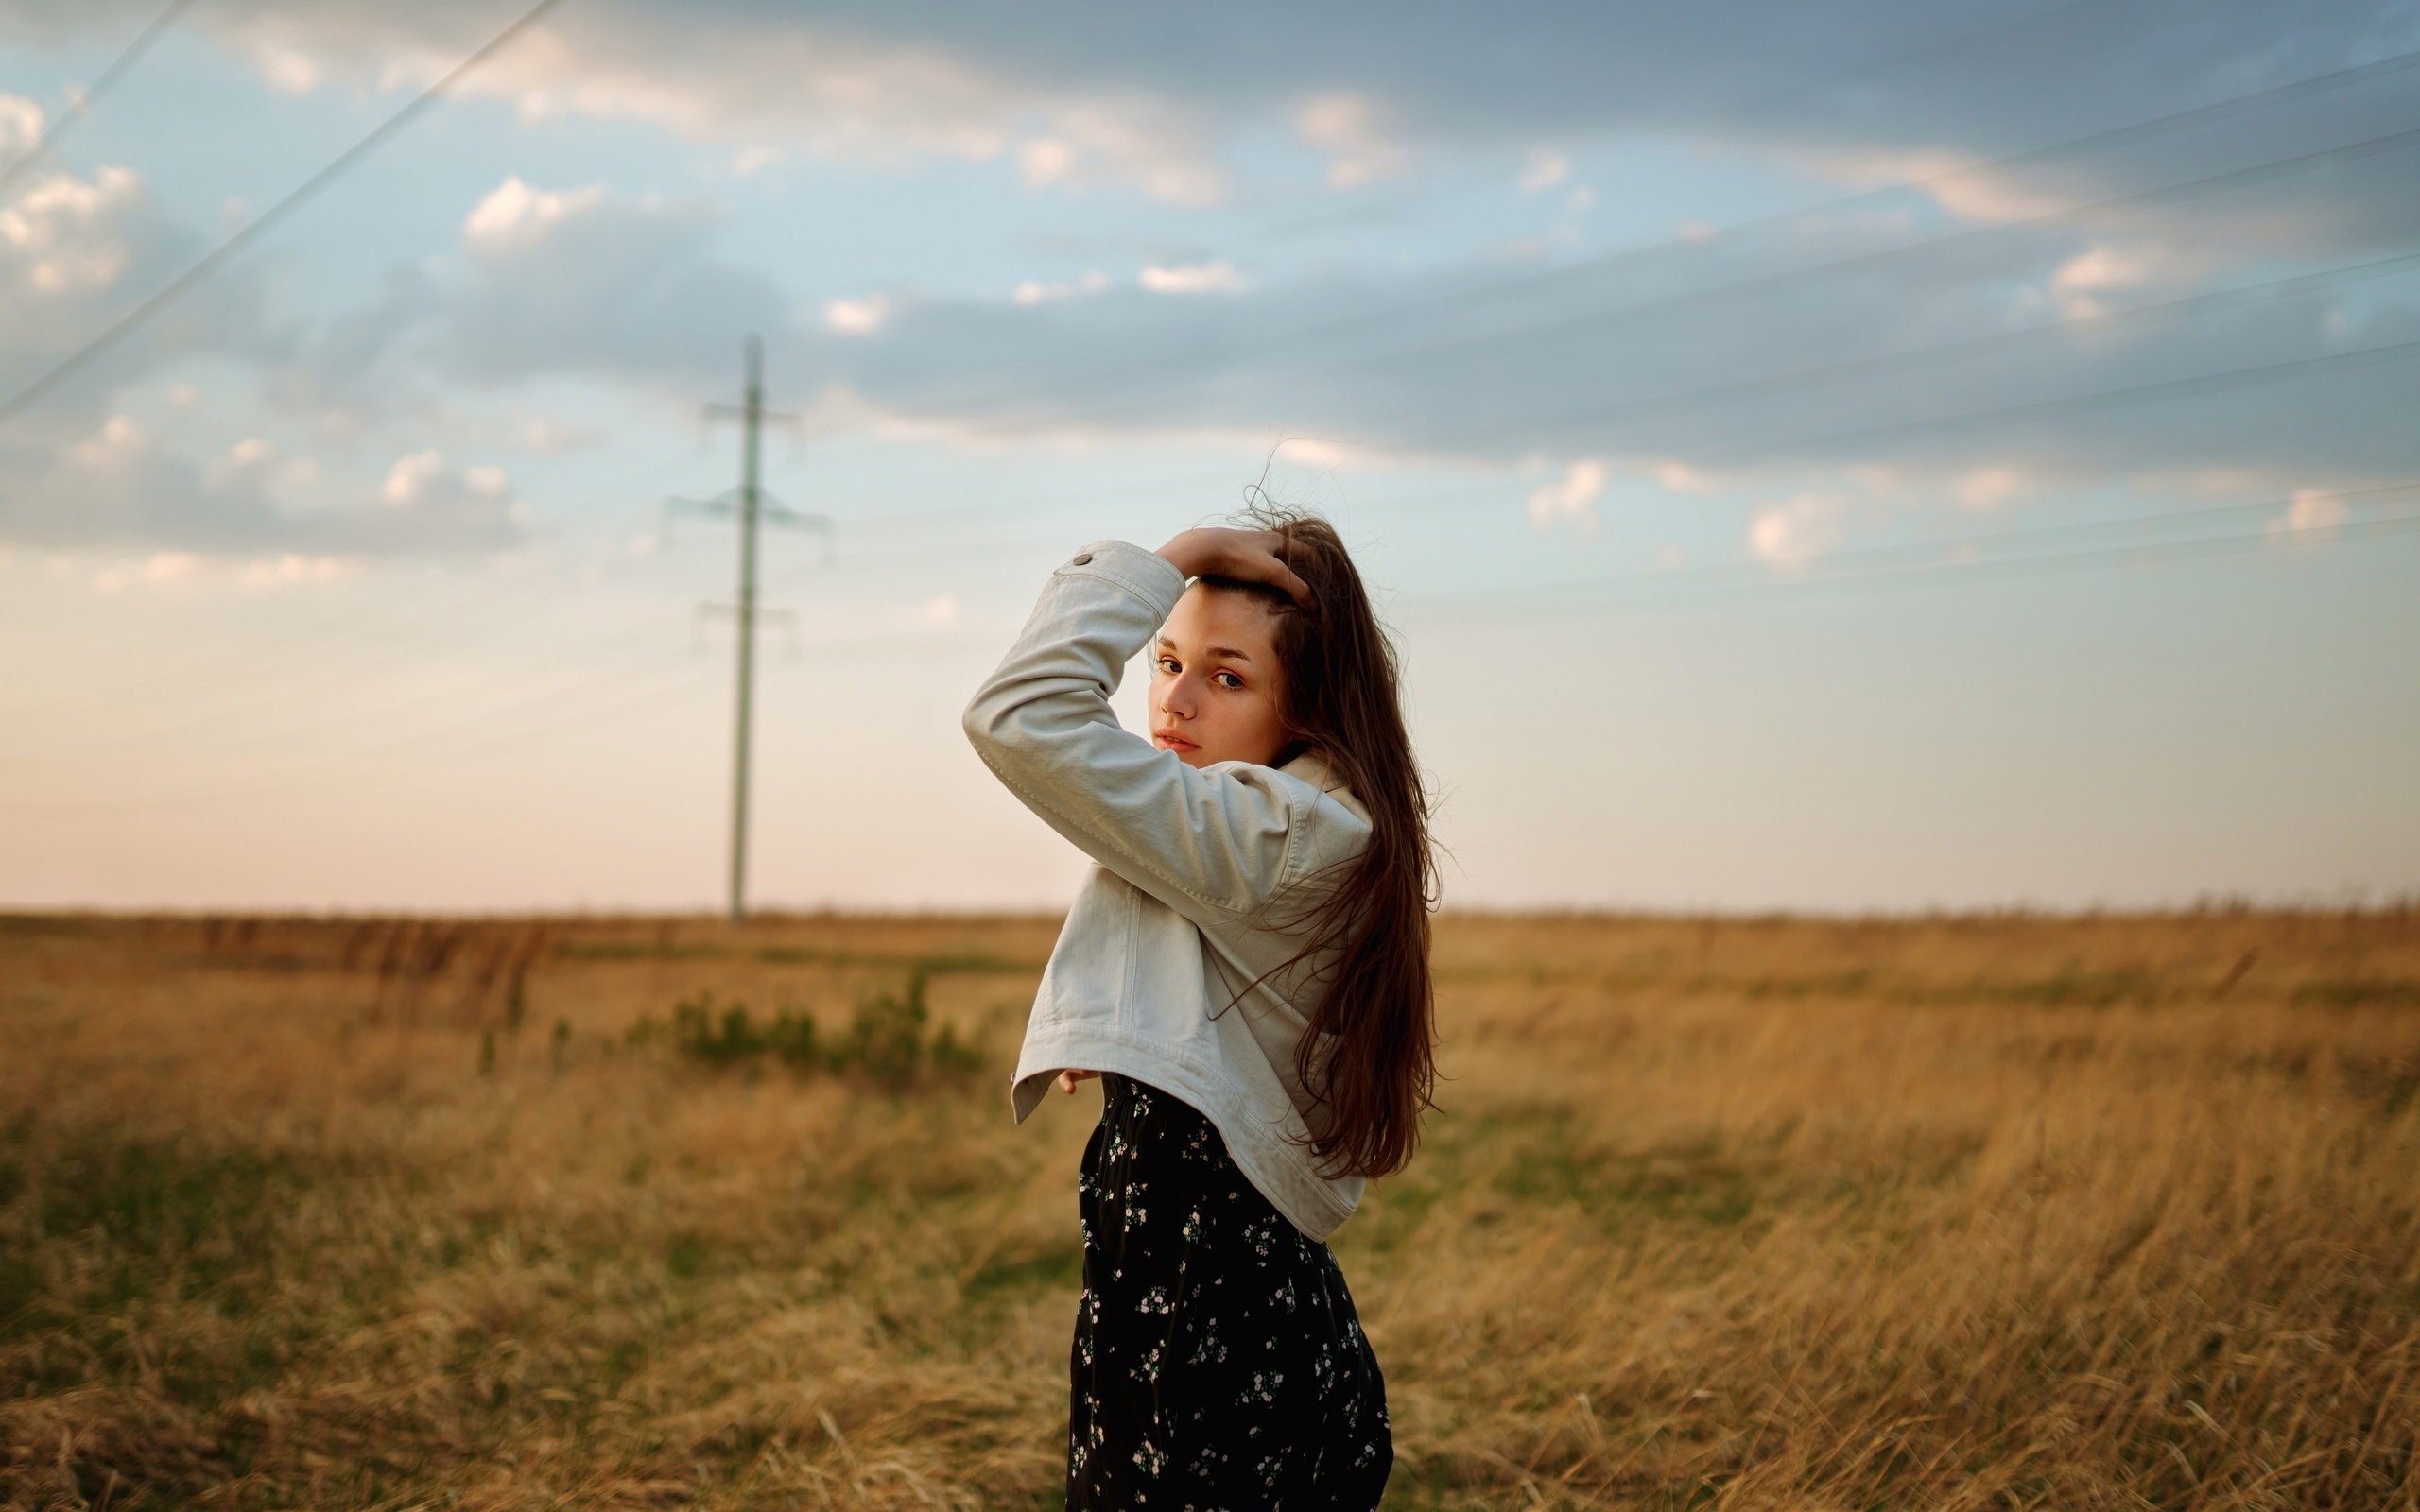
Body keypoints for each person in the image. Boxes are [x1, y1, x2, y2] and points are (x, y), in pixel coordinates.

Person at [962, 509, 1436, 1510]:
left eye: (1226, 677)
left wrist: (1171, 558)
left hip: (1213, 1341)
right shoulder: (1289, 818)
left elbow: (1021, 713)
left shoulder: (1282, 836)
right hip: (1199, 1317)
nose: (1173, 702)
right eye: (1163, 659)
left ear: (1305, 706)